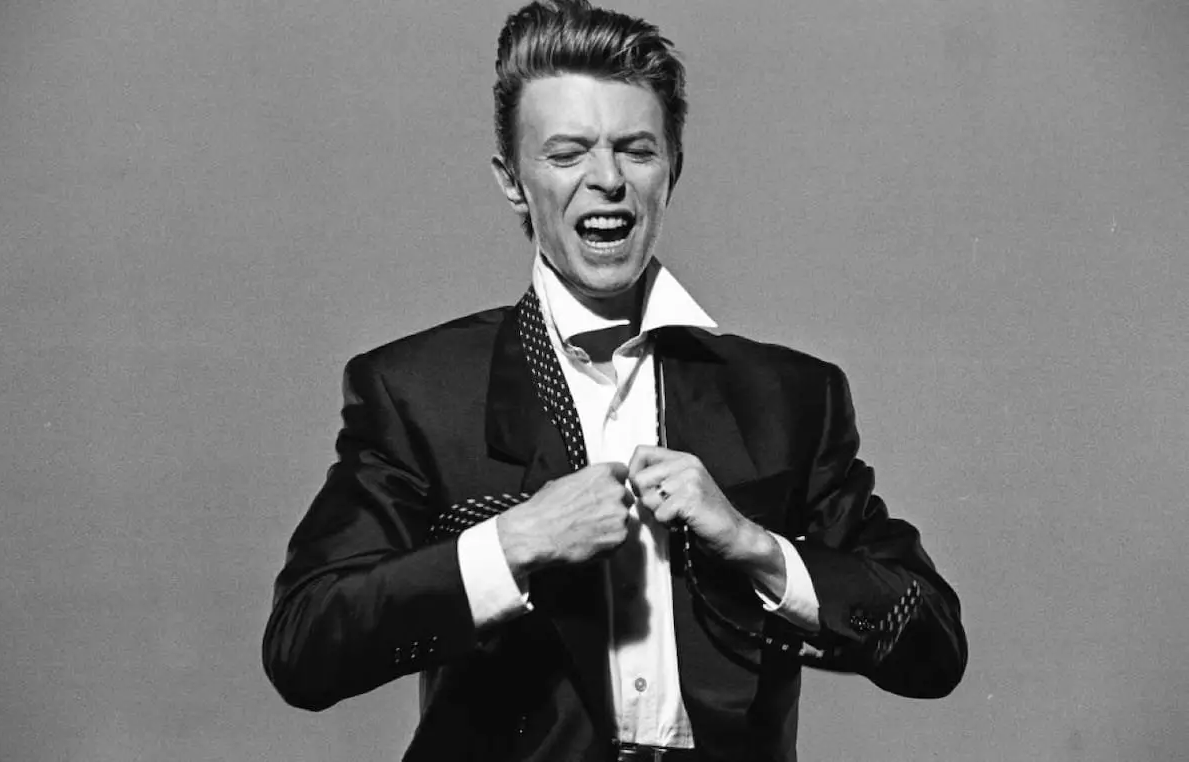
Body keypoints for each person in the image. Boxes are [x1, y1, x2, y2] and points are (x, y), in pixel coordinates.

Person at [262, 2, 968, 760]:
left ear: (672, 169)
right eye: (567, 154)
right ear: (512, 181)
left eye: (636, 150)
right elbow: (305, 646)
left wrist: (756, 547)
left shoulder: (791, 398)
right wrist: (513, 543)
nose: (607, 179)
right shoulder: (418, 393)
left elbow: (931, 645)